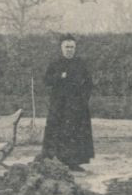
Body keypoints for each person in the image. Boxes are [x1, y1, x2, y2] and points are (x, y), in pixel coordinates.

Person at [40, 35, 95, 168]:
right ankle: (55, 160)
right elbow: (46, 81)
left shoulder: (81, 64)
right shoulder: (55, 63)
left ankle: (74, 163)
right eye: (67, 47)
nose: (69, 50)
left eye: (72, 47)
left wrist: (84, 99)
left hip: (77, 106)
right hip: (59, 105)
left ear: (75, 48)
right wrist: (59, 76)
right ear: (61, 48)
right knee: (58, 132)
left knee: (76, 133)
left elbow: (89, 83)